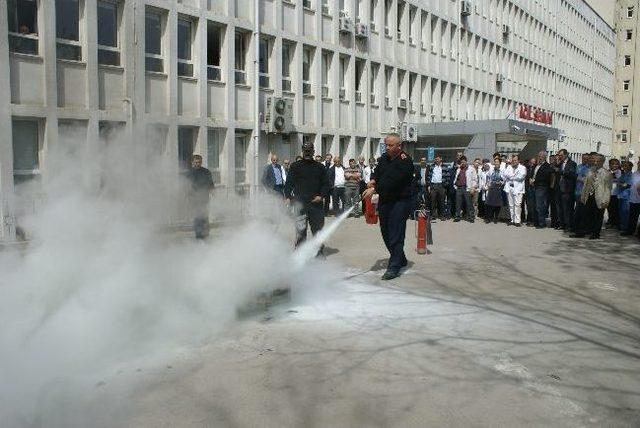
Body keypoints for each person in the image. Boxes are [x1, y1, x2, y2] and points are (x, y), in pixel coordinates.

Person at [362, 133, 414, 280]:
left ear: (399, 146)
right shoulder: (384, 158)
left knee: (396, 234)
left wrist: (375, 189)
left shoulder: (405, 161)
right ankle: (401, 258)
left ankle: (394, 267)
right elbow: (377, 173)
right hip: (385, 201)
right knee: (385, 232)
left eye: (391, 145)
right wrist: (372, 180)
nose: (388, 148)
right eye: (386, 145)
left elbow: (393, 181)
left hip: (400, 202)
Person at [284, 141, 331, 253]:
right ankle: (300, 253)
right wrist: (288, 196)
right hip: (300, 204)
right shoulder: (295, 166)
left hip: (316, 204)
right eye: (306, 151)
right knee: (300, 230)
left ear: (313, 152)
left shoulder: (320, 167)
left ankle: (318, 252)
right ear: (303, 151)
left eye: (310, 151)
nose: (308, 153)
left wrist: (321, 196)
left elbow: (326, 184)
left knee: (318, 230)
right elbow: (289, 183)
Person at [572, 154, 612, 239]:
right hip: (589, 195)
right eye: (594, 161)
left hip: (600, 197)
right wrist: (583, 195)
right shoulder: (590, 170)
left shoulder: (607, 173)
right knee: (584, 214)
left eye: (598, 161)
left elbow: (608, 188)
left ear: (602, 162)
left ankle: (595, 233)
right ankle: (581, 232)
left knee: (598, 216)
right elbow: (586, 184)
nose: (595, 162)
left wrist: (606, 200)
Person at [187, 154, 214, 239]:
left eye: (199, 162)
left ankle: (205, 234)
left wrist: (213, 193)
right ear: (192, 162)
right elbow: (187, 187)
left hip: (204, 199)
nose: (198, 164)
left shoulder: (206, 172)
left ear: (201, 162)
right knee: (197, 218)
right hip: (194, 200)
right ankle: (198, 236)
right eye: (196, 162)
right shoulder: (189, 173)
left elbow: (211, 185)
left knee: (205, 217)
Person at [502, 154, 527, 227]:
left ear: (518, 161)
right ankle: (512, 220)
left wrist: (510, 177)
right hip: (509, 188)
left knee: (517, 204)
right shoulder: (509, 167)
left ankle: (517, 221)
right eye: (513, 160)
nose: (514, 161)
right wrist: (512, 176)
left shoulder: (522, 168)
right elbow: (504, 175)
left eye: (515, 160)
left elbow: (521, 177)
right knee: (511, 205)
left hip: (518, 189)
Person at [531, 151, 553, 228]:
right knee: (534, 205)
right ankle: (536, 222)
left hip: (541, 187)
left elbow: (545, 177)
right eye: (538, 155)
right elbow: (533, 173)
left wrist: (535, 181)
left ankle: (541, 223)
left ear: (544, 157)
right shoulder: (536, 165)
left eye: (540, 156)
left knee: (540, 206)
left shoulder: (547, 166)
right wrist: (531, 179)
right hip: (534, 186)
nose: (539, 157)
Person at [556, 149, 577, 231]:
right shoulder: (559, 163)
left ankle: (569, 225)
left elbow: (572, 174)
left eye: (561, 155)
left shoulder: (572, 164)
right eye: (559, 155)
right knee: (560, 208)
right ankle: (562, 224)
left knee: (567, 209)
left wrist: (561, 171)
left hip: (567, 189)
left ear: (566, 155)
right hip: (559, 189)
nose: (559, 157)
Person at [452, 156, 478, 222]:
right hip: (459, 188)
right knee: (458, 203)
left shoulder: (471, 169)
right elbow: (456, 178)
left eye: (464, 162)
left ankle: (471, 217)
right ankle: (457, 216)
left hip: (467, 188)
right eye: (461, 162)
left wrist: (473, 188)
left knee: (469, 203)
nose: (463, 163)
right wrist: (455, 186)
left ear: (466, 161)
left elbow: (475, 179)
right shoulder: (459, 169)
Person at [573, 153, 591, 233]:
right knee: (578, 210)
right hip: (578, 191)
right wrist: (582, 178)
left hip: (586, 192)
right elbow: (576, 177)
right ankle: (577, 227)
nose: (585, 160)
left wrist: (582, 178)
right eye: (584, 158)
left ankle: (584, 228)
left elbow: (588, 180)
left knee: (585, 211)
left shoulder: (590, 168)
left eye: (587, 159)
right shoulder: (579, 167)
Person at [484, 157, 504, 224]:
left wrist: (501, 183)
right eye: (495, 162)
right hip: (492, 188)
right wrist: (488, 184)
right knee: (490, 204)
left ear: (500, 163)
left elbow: (504, 180)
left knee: (497, 204)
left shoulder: (502, 171)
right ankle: (489, 218)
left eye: (497, 162)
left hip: (498, 188)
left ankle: (496, 218)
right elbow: (488, 178)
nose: (496, 163)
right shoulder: (491, 170)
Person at [427, 154, 447, 220]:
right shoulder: (432, 166)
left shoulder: (444, 167)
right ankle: (433, 215)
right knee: (433, 201)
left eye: (438, 159)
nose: (436, 160)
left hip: (441, 185)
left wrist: (445, 186)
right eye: (435, 159)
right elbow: (429, 176)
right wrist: (429, 185)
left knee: (441, 201)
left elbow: (448, 177)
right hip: (433, 185)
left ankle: (442, 215)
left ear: (441, 159)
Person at [617, 161, 633, 235]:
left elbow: (626, 185)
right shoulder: (623, 174)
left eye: (626, 166)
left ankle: (625, 228)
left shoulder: (630, 175)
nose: (624, 167)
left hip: (626, 196)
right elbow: (619, 183)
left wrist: (620, 183)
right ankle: (622, 226)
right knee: (621, 212)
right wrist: (620, 183)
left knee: (625, 213)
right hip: (621, 195)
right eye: (624, 166)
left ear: (630, 167)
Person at [625, 163, 640, 238]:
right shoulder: (634, 174)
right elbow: (630, 185)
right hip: (633, 199)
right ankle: (630, 231)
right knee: (632, 216)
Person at [607, 159, 622, 229]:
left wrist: (611, 176)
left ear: (618, 165)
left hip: (616, 193)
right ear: (610, 165)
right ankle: (611, 221)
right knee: (610, 209)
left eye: (616, 164)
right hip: (609, 193)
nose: (614, 165)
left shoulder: (620, 172)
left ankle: (616, 223)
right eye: (612, 164)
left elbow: (618, 179)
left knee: (616, 209)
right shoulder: (608, 171)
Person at [525, 157, 538, 226]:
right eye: (531, 162)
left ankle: (533, 220)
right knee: (528, 205)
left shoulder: (536, 169)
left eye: (533, 163)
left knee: (533, 205)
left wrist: (533, 181)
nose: (532, 164)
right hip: (527, 188)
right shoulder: (527, 168)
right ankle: (528, 219)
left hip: (533, 188)